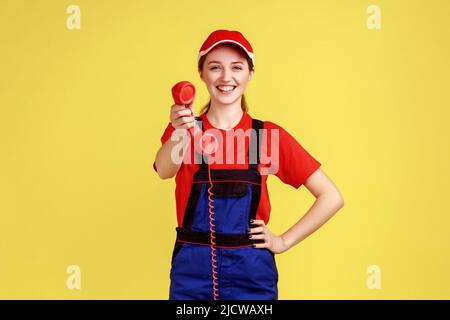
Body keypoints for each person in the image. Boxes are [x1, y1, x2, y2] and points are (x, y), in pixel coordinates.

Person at [153, 29, 344, 300]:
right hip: (192, 276)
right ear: (201, 74)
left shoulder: (266, 137)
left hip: (252, 275)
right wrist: (181, 130)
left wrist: (283, 241)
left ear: (250, 74)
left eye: (237, 67)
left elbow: (331, 197)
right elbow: (163, 170)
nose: (226, 77)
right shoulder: (183, 130)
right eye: (215, 67)